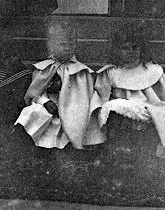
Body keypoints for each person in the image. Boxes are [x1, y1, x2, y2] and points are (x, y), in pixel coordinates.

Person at [15, 20, 105, 149]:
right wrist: (45, 102)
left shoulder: (82, 71)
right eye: (63, 44)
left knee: (74, 120)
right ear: (51, 46)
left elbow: (84, 95)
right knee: (33, 114)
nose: (67, 48)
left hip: (72, 108)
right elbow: (35, 92)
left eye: (71, 44)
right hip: (49, 108)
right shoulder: (45, 68)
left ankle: (72, 144)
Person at [93, 23, 165, 159]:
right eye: (125, 48)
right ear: (117, 50)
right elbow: (102, 96)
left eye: (135, 47)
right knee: (114, 108)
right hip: (122, 110)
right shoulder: (112, 72)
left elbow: (164, 97)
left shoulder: (152, 70)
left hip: (150, 108)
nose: (131, 51)